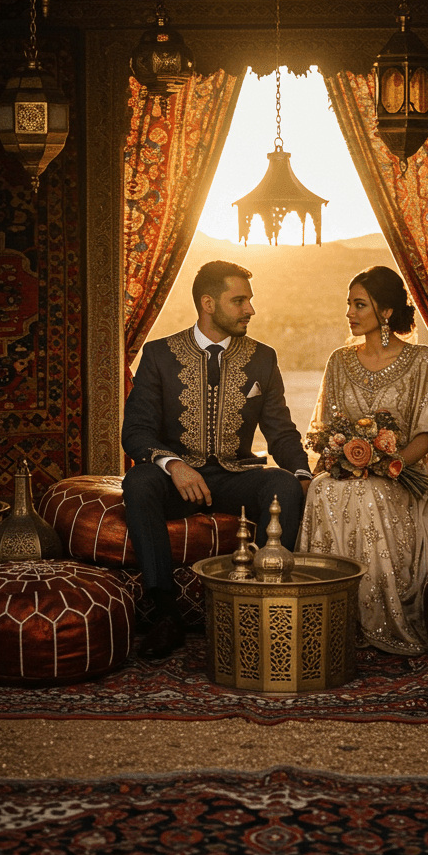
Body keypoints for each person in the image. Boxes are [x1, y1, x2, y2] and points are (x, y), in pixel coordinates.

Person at [121, 260, 312, 658]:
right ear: (208, 303)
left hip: (234, 478)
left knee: (283, 484)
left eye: (249, 300)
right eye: (239, 301)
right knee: (138, 482)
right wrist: (173, 465)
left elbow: (280, 431)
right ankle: (165, 614)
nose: (250, 310)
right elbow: (136, 431)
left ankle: (262, 607)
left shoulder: (262, 358)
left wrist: (302, 472)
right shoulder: (159, 355)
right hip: (176, 481)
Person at [297, 265, 428, 655]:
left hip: (399, 475)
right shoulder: (339, 361)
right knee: (321, 490)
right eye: (348, 304)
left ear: (385, 311)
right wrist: (334, 465)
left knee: (368, 493)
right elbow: (328, 429)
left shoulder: (421, 361)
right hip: (348, 471)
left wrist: (387, 466)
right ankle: (327, 617)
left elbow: (426, 435)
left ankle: (375, 614)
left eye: (359, 305)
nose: (349, 313)